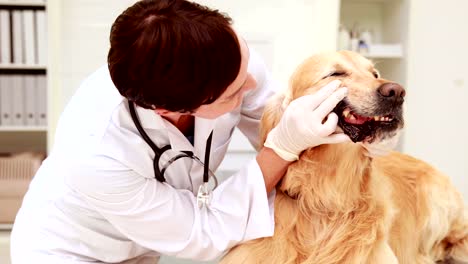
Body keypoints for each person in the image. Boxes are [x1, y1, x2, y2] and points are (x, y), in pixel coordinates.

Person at [10, 0, 350, 263]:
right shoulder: (97, 152)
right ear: (168, 110)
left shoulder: (226, 60)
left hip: (141, 247)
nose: (253, 84)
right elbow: (200, 231)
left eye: (246, 66)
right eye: (233, 94)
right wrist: (281, 148)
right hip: (71, 250)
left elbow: (280, 120)